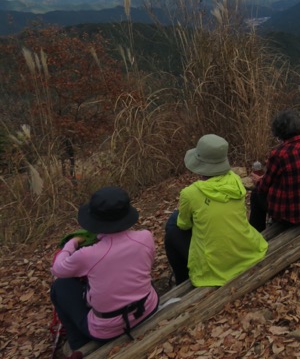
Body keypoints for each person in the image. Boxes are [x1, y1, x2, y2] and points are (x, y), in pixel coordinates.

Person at [50, 187, 158, 352]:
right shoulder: (145, 237)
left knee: (61, 286)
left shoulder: (88, 255)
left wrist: (71, 243)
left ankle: (77, 343)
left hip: (107, 329)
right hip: (147, 307)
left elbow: (57, 269)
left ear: (94, 221)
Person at [164, 134, 267, 287]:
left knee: (172, 228)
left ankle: (182, 281)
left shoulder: (190, 194)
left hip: (216, 268)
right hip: (248, 250)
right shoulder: (235, 181)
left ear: (199, 164)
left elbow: (184, 225)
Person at [249, 109, 300, 232]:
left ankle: (257, 234)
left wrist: (258, 180)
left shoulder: (279, 154)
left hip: (290, 216)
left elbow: (263, 187)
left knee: (255, 195)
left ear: (279, 131)